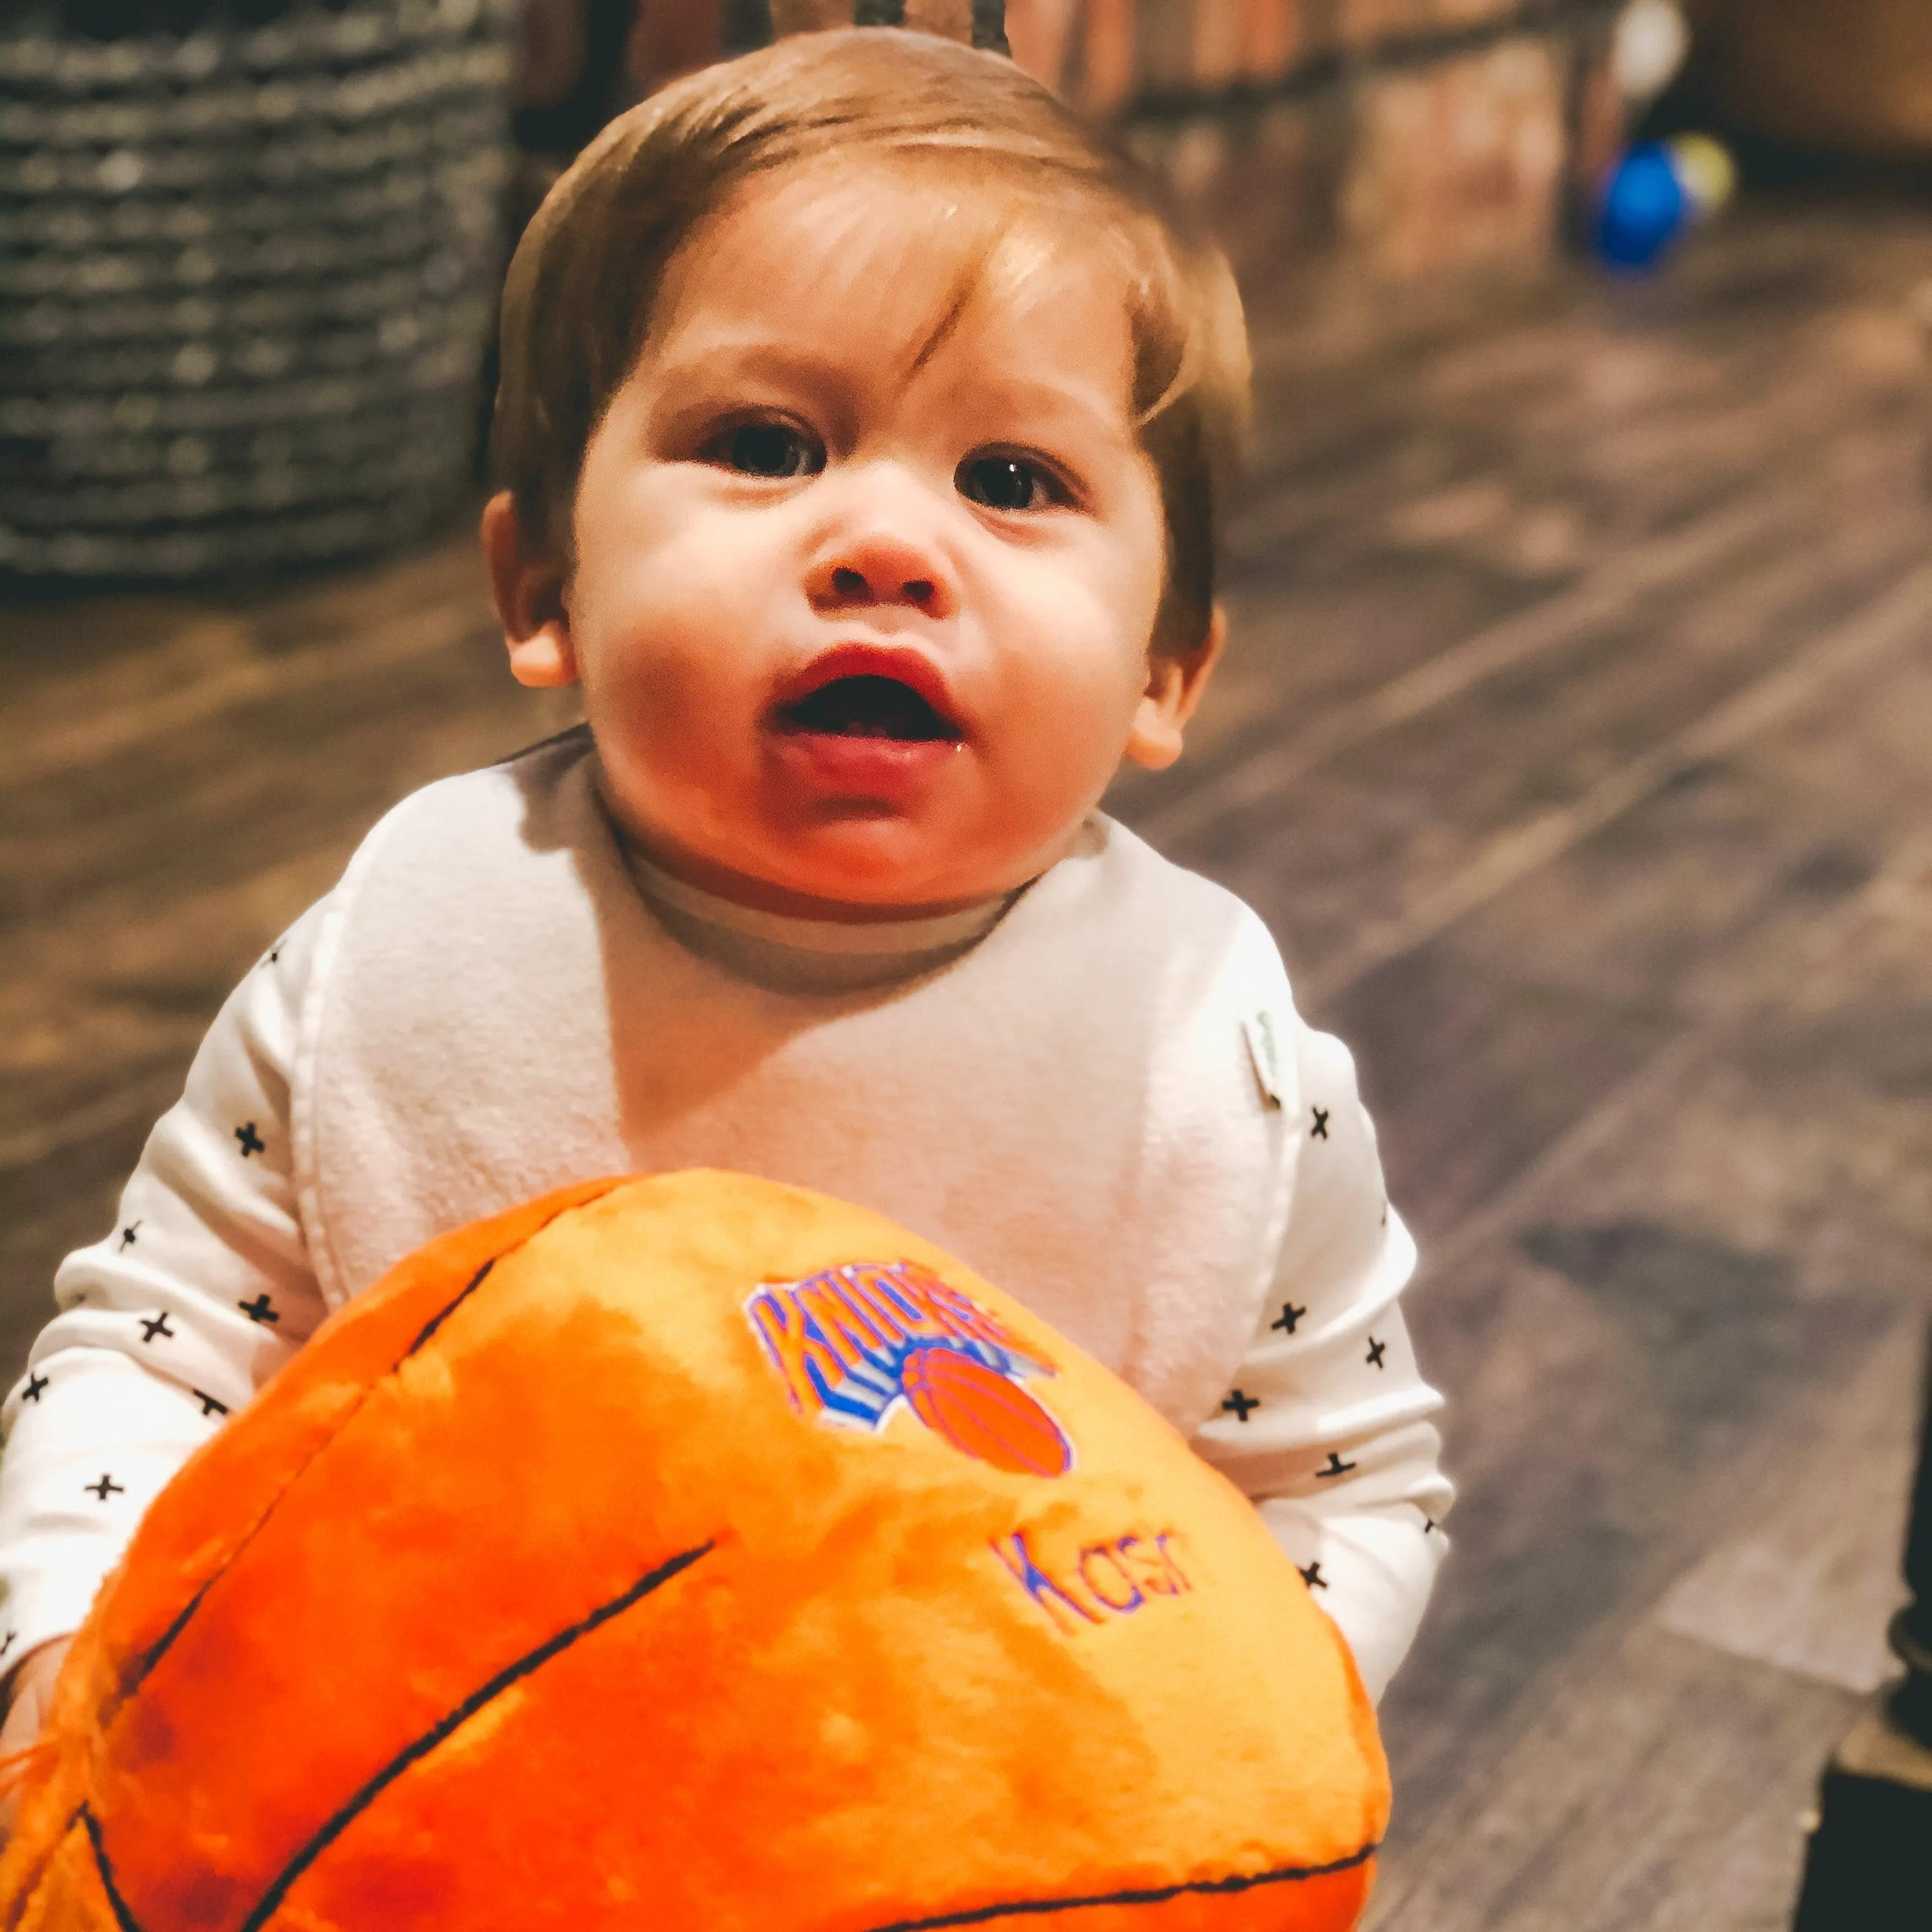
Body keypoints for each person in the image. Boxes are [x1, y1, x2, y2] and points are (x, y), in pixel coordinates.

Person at [0, 28, 1452, 1777]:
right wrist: (77, 1662)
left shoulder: (1216, 1078)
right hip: (417, 1784)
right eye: (766, 444)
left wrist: (1222, 1764)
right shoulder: (399, 960)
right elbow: (158, 1359)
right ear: (544, 585)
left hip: (961, 1824)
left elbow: (1342, 1490)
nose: (887, 546)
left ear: (1162, 667)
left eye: (1012, 481)